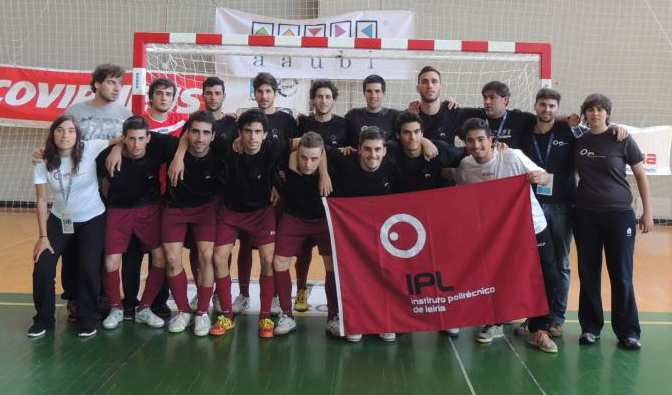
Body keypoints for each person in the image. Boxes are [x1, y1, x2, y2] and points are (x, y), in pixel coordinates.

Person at [455, 118, 560, 353]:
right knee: (497, 278)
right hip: (496, 235)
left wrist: (538, 178)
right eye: (470, 141)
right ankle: (495, 323)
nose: (477, 145)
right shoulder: (465, 167)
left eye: (481, 139)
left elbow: (546, 177)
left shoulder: (512, 156)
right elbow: (465, 200)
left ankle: (539, 329)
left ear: (492, 140)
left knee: (546, 278)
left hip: (533, 227)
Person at [573, 94, 653, 350]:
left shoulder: (622, 139)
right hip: (585, 215)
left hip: (619, 215)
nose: (595, 114)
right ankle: (590, 328)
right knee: (588, 273)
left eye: (600, 110)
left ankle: (628, 331)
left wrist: (647, 212)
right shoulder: (578, 140)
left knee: (621, 274)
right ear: (585, 113)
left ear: (607, 113)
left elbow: (641, 175)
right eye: (590, 110)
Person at [30, 115, 117, 338]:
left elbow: (122, 139)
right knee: (43, 265)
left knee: (88, 266)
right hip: (61, 219)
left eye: (70, 130)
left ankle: (87, 317)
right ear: (53, 134)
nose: (65, 135)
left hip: (92, 218)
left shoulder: (89, 148)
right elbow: (41, 200)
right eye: (60, 130)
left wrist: (116, 149)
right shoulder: (43, 160)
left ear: (77, 135)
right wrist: (43, 236)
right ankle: (43, 319)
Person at [60, 64, 133, 321]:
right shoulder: (75, 112)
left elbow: (132, 143)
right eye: (112, 82)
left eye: (119, 84)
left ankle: (101, 296)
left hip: (109, 188)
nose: (116, 88)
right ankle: (73, 298)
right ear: (97, 84)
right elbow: (59, 142)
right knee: (72, 245)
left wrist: (117, 147)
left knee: (101, 246)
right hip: (77, 189)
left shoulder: (125, 114)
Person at [210, 109, 287, 338]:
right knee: (218, 256)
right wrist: (178, 155)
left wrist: (323, 173)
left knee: (268, 259)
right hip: (231, 212)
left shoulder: (274, 147)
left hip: (262, 212)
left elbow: (310, 142)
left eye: (257, 132)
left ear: (265, 134)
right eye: (247, 131)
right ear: (239, 133)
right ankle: (226, 314)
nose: (253, 137)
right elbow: (190, 136)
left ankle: (265, 316)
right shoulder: (226, 147)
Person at [98, 116, 175, 330]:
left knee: (160, 257)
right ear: (123, 139)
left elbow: (189, 141)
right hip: (117, 212)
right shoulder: (107, 156)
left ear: (148, 138)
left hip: (149, 210)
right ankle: (116, 308)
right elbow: (101, 183)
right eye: (131, 139)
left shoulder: (158, 147)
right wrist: (115, 148)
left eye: (141, 138)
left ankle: (145, 308)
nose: (136, 144)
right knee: (111, 262)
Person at [327, 127, 399, 343]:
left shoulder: (392, 168)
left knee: (384, 275)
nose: (373, 155)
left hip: (382, 236)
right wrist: (323, 173)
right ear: (358, 150)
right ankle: (354, 319)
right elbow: (321, 150)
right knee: (352, 276)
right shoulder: (344, 163)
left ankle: (384, 320)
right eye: (367, 149)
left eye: (377, 149)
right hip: (351, 238)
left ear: (385, 150)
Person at [161, 111, 221, 335]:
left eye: (206, 133)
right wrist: (118, 147)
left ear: (213, 136)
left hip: (205, 210)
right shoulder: (171, 147)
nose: (200, 138)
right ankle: (184, 311)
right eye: (194, 131)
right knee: (172, 258)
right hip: (175, 209)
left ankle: (203, 312)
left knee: (206, 256)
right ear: (187, 134)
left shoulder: (221, 151)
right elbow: (136, 137)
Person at [272, 132, 338, 336]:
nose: (308, 164)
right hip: (293, 219)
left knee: (332, 265)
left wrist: (324, 171)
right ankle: (286, 315)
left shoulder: (333, 162)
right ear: (296, 153)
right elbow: (268, 147)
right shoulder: (285, 158)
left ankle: (334, 316)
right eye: (303, 157)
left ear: (322, 156)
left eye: (314, 159)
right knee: (279, 263)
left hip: (322, 220)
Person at [293, 79, 349, 313]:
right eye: (319, 96)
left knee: (330, 255)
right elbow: (296, 150)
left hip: (331, 197)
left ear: (333, 100)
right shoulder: (303, 123)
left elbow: (349, 152)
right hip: (303, 195)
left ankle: (336, 301)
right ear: (313, 99)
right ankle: (301, 290)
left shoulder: (344, 124)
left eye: (327, 96)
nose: (323, 100)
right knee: (303, 251)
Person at [345, 74, 399, 146]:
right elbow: (344, 142)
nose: (373, 95)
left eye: (377, 91)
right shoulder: (353, 115)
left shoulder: (395, 116)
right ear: (364, 93)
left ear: (383, 93)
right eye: (369, 91)